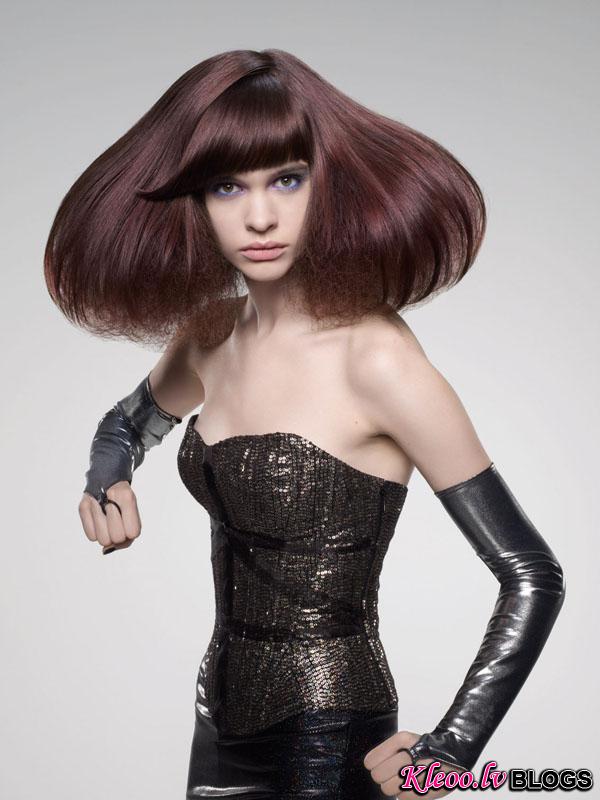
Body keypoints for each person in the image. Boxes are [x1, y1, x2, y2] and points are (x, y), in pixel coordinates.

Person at [44, 49, 566, 799]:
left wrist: (450, 751)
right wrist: (108, 479)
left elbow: (532, 574)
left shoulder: (376, 359)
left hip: (329, 733)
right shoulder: (211, 334)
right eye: (227, 186)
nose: (260, 217)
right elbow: (124, 425)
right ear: (196, 201)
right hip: (216, 720)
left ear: (328, 184)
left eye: (287, 179)